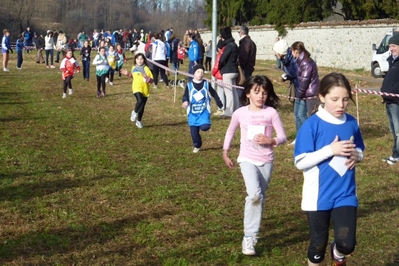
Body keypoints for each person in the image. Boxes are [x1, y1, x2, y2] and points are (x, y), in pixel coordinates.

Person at [294, 72, 365, 266]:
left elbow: (359, 149)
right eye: (334, 99)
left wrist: (357, 155)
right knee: (318, 245)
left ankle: (338, 252)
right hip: (318, 196)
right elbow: (300, 162)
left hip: (345, 194)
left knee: (347, 243)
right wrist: (330, 150)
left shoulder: (351, 122)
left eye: (345, 99)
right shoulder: (312, 125)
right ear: (322, 97)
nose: (341, 105)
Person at [222, 75, 287, 256]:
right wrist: (225, 152)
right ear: (248, 93)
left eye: (264, 93)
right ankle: (249, 237)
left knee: (259, 198)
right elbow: (230, 131)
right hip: (246, 159)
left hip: (266, 160)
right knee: (255, 195)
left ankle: (252, 231)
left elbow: (282, 137)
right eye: (256, 92)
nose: (261, 96)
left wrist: (270, 140)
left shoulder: (271, 113)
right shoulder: (240, 113)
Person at [182, 64, 223, 153]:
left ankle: (203, 124)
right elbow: (185, 96)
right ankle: (197, 145)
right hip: (192, 113)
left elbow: (214, 93)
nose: (200, 74)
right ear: (194, 73)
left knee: (205, 127)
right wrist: (185, 101)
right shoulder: (189, 85)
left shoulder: (206, 84)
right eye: (198, 72)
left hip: (204, 111)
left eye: (202, 72)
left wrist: (219, 103)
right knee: (194, 134)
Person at [273, 39, 301, 143]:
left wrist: (286, 77)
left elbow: (297, 74)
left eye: (276, 52)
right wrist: (285, 77)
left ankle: (306, 136)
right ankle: (299, 137)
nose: (274, 54)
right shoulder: (286, 59)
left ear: (280, 53)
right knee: (297, 114)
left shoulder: (293, 60)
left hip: (302, 90)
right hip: (297, 87)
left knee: (301, 115)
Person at [121, 53, 154, 129]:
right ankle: (134, 112)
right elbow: (133, 76)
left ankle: (139, 121)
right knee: (140, 100)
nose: (139, 60)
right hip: (136, 88)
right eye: (138, 59)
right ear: (135, 60)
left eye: (141, 59)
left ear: (144, 60)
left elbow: (152, 81)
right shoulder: (133, 68)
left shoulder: (146, 69)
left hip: (145, 89)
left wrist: (146, 77)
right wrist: (128, 74)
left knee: (142, 106)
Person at [380, 34, 399, 165]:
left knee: (398, 131)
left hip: (396, 102)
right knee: (393, 130)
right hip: (389, 101)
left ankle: (396, 155)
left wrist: (390, 92)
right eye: (390, 46)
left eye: (393, 46)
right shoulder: (392, 60)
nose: (391, 49)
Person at [291, 41, 320, 117]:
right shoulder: (302, 61)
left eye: (292, 51)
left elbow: (305, 81)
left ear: (296, 51)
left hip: (311, 93)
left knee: (312, 115)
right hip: (308, 92)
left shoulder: (305, 63)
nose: (291, 53)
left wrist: (299, 95)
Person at [218, 27, 239, 117]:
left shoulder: (229, 46)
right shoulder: (234, 45)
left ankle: (229, 112)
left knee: (228, 92)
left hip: (227, 71)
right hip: (234, 70)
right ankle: (237, 109)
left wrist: (219, 66)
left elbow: (222, 59)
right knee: (234, 91)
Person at [211, 39, 226, 116]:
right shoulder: (226, 52)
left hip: (219, 76)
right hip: (224, 75)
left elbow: (217, 65)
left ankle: (221, 108)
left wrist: (212, 73)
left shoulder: (220, 54)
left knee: (220, 92)